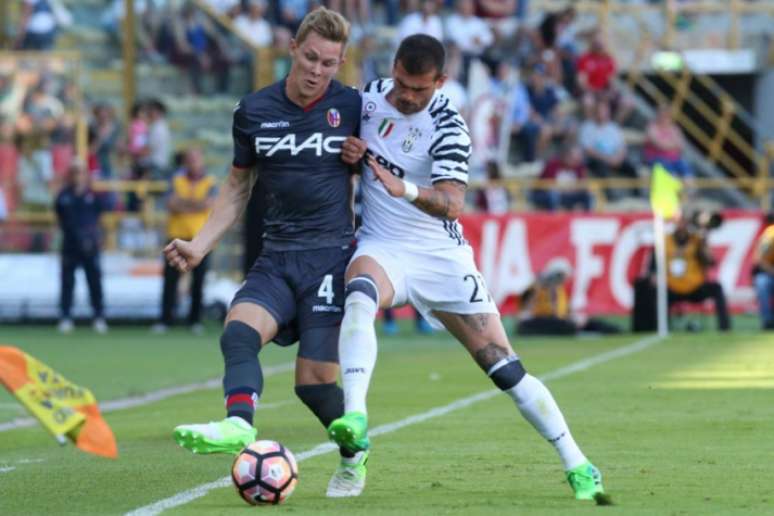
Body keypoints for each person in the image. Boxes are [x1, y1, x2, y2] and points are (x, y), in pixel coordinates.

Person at [326, 34, 606, 501]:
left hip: (440, 254)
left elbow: (453, 203)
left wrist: (407, 190)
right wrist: (349, 157)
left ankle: (578, 463)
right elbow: (339, 139)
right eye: (402, 83)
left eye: (419, 88)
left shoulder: (449, 125)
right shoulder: (368, 99)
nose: (407, 95)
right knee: (358, 295)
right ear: (393, 69)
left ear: (441, 81)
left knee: (502, 365)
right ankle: (355, 431)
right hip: (383, 244)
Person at [164, 7, 364, 494]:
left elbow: (385, 167)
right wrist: (199, 245)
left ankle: (355, 456)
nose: (317, 70)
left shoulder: (355, 107)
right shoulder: (252, 111)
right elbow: (236, 189)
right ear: (291, 49)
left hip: (329, 258)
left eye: (329, 63)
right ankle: (239, 423)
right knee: (237, 331)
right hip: (277, 255)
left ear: (340, 64)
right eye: (311, 57)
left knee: (313, 385)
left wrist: (362, 161)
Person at [152, 148, 217, 335]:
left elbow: (207, 204)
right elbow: (171, 204)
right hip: (176, 237)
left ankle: (195, 320)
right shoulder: (175, 180)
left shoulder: (209, 182)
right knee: (169, 280)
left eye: (196, 160)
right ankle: (165, 320)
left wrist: (184, 204)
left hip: (201, 239)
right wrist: (195, 204)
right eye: (190, 160)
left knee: (199, 281)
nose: (193, 164)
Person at [55, 160, 108, 334]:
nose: (78, 176)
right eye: (74, 172)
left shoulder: (93, 196)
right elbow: (62, 220)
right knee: (67, 282)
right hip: (70, 245)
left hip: (90, 245)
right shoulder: (63, 196)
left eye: (81, 172)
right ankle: (66, 316)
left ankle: (99, 316)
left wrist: (94, 238)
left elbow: (101, 217)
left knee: (94, 281)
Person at [517, 258, 619, 336]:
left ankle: (616, 331)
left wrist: (572, 316)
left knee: (590, 322)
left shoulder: (557, 288)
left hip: (558, 319)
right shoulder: (539, 286)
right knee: (568, 325)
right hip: (543, 320)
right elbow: (529, 306)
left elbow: (562, 309)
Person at [753, 214, 774, 330]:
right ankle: (768, 320)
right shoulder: (771, 234)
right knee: (762, 282)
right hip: (771, 274)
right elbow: (759, 259)